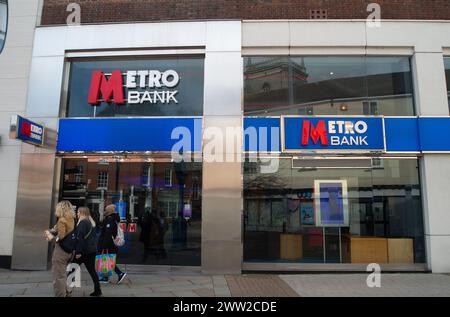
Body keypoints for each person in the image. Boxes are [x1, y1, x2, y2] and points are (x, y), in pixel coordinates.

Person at [44, 200, 76, 297]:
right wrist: (54, 229)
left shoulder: (62, 220)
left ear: (61, 208)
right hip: (69, 251)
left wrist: (51, 238)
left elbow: (60, 237)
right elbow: (65, 232)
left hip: (61, 251)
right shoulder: (71, 219)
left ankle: (61, 295)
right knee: (63, 274)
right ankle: (67, 292)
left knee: (58, 276)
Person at [73, 207, 102, 297]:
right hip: (91, 251)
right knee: (92, 271)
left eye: (78, 212)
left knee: (72, 269)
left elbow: (80, 239)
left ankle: (68, 290)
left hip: (83, 251)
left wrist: (78, 252)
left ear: (82, 213)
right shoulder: (91, 222)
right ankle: (97, 290)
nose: (77, 213)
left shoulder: (83, 223)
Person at [97, 204, 127, 284]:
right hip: (109, 244)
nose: (104, 211)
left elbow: (108, 233)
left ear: (109, 211)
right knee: (107, 260)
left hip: (108, 244)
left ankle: (120, 273)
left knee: (108, 260)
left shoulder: (110, 219)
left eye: (106, 210)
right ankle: (105, 277)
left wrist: (103, 245)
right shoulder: (112, 218)